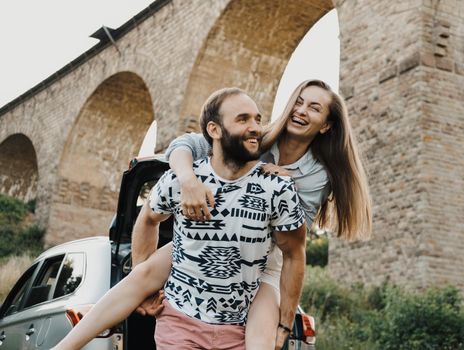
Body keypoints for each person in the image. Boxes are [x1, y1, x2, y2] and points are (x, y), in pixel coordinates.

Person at [54, 79, 372, 349]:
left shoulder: (318, 173)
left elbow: (291, 240)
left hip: (267, 257)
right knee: (143, 274)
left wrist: (285, 323)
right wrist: (188, 179)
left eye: (314, 108)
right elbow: (187, 143)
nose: (301, 110)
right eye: (299, 102)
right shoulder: (257, 137)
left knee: (261, 338)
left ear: (327, 124)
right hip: (218, 236)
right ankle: (73, 339)